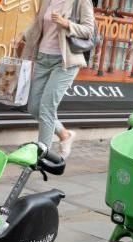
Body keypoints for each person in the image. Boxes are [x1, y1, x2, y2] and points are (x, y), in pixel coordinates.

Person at [17, 0, 96, 157]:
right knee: (34, 107)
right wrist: (23, 37)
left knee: (47, 108)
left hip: (65, 62)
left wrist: (66, 23)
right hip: (42, 59)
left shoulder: (81, 1)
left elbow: (89, 30)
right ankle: (64, 134)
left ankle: (42, 155)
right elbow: (38, 24)